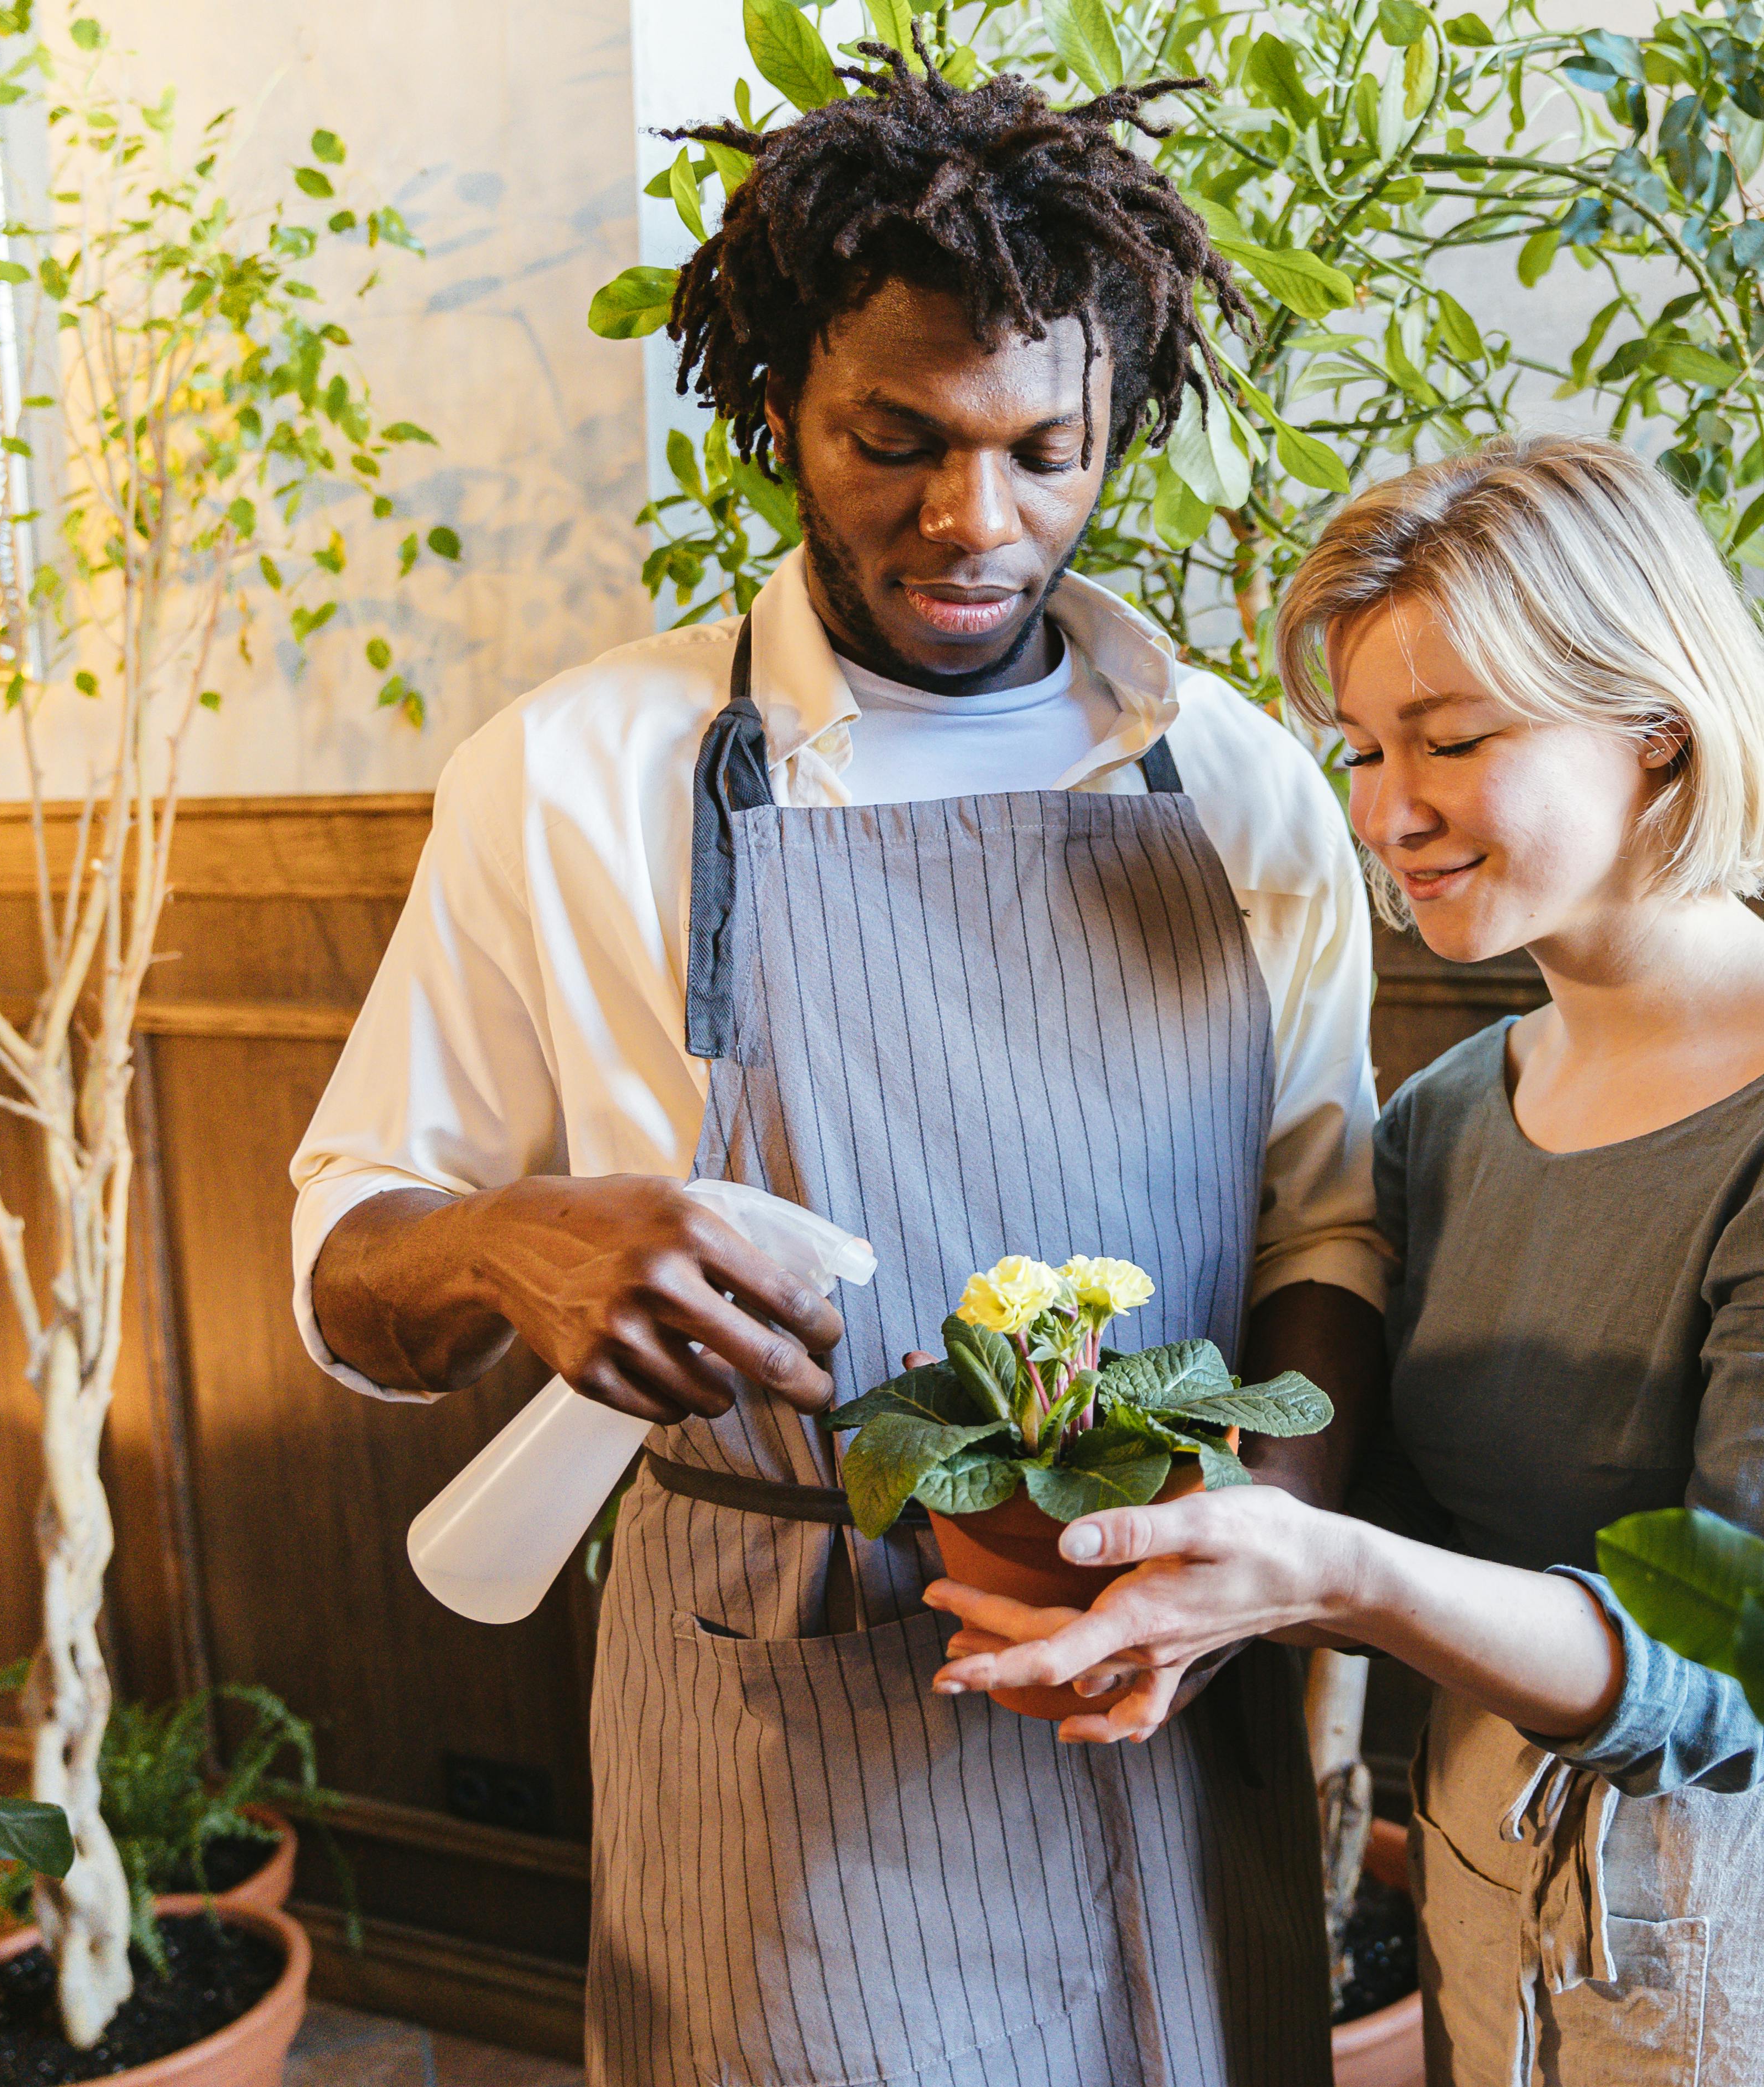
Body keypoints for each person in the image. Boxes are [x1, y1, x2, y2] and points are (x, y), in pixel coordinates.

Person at [287, 44, 1387, 2087]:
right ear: (777, 406)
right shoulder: (575, 775)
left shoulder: (1240, 786)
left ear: (1116, 428)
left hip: (1158, 1711)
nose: (978, 519)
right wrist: (504, 1243)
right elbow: (352, 1259)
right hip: (781, 1728)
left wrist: (1246, 1571)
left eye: (1046, 449)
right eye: (898, 441)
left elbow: (1324, 1242)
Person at [925, 434, 1764, 2083]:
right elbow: (1417, 1535)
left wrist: (1334, 1575)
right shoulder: (1457, 1113)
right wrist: (1175, 1575)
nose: (1386, 812)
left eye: (1450, 740)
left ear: (1657, 733)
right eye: (1365, 749)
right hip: (1489, 1898)